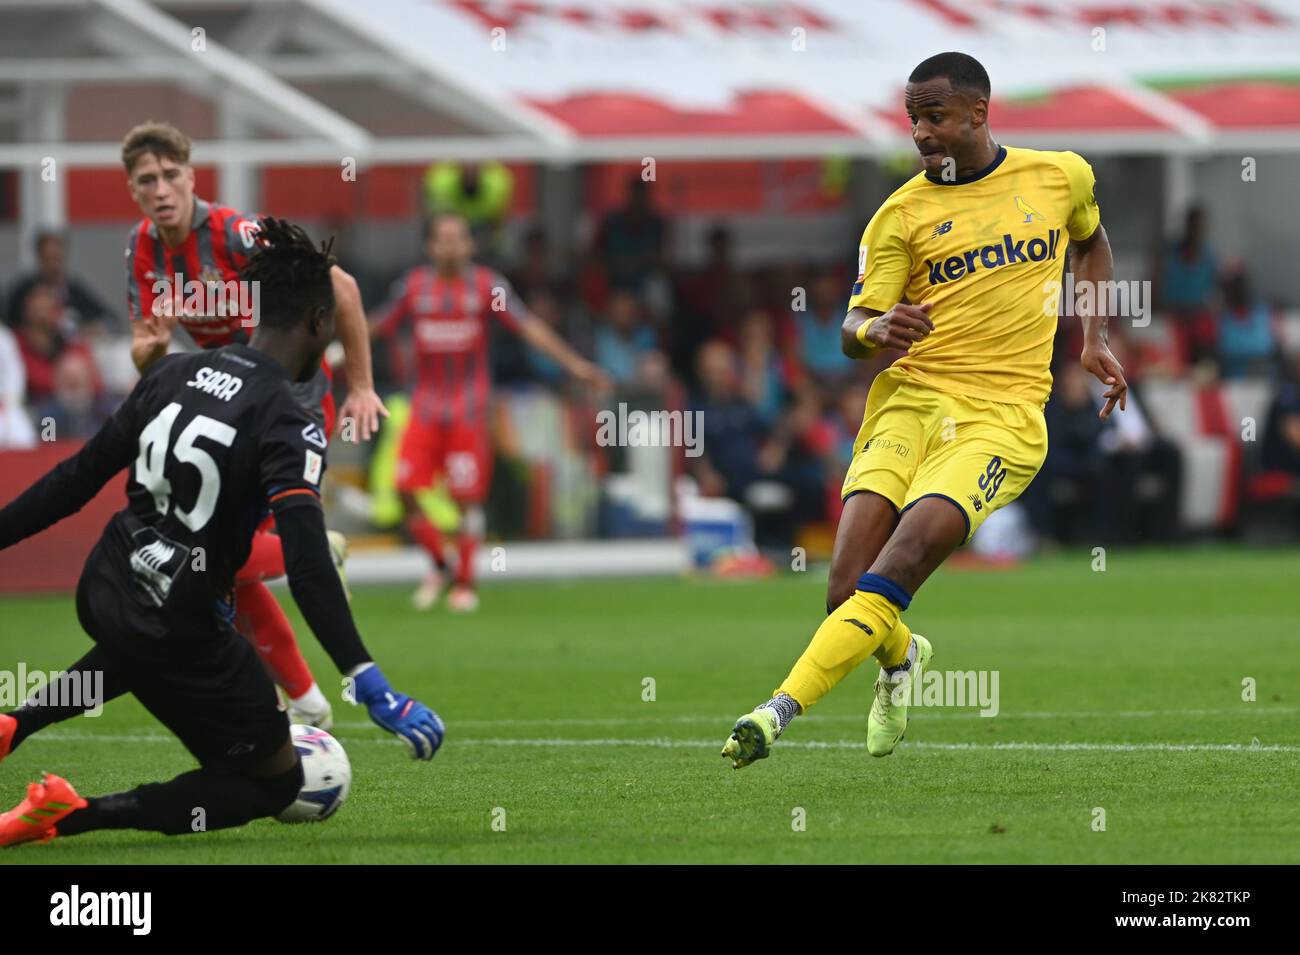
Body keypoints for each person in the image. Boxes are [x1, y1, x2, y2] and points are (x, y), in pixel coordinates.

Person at [722, 51, 1127, 767]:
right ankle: (902, 657)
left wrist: (1093, 337)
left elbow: (1091, 246)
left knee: (903, 559)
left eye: (934, 115)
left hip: (1000, 417)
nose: (921, 132)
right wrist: (872, 330)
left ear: (978, 111)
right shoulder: (898, 215)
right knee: (846, 591)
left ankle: (776, 709)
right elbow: (853, 328)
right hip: (909, 404)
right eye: (912, 119)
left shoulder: (1060, 175)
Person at [0, 219, 443, 846]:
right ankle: (67, 815)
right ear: (320, 324)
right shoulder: (288, 417)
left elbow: (73, 480)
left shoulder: (171, 372)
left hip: (104, 588)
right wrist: (367, 679)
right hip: (181, 622)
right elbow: (310, 562)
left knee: (142, 642)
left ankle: (13, 726)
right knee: (272, 783)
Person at [121, 121, 387, 728]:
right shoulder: (142, 248)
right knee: (221, 569)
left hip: (287, 400)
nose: (160, 189)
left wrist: (363, 386)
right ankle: (308, 705)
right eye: (146, 181)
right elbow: (144, 350)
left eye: (169, 176)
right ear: (132, 191)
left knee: (214, 557)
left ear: (191, 178)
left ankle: (315, 556)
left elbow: (339, 285)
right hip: (226, 402)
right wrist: (152, 347)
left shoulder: (238, 233)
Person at [372, 213, 609, 611]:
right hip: (425, 408)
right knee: (405, 489)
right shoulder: (414, 287)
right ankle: (440, 563)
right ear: (430, 246)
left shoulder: (487, 287)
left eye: (458, 238)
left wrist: (575, 365)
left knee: (467, 501)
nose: (450, 246)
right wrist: (332, 348)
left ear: (470, 245)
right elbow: (379, 323)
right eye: (442, 239)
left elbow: (528, 326)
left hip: (468, 410)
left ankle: (466, 582)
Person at [4, 231, 114, 334]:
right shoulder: (23, 291)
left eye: (56, 258)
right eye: (48, 258)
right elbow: (8, 323)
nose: (53, 265)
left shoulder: (74, 289)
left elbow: (108, 318)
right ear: (39, 257)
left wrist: (92, 328)